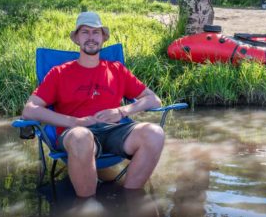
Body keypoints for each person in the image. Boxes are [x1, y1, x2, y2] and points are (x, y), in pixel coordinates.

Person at [22, 11, 164, 197]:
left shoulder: (116, 70)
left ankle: (131, 201)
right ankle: (88, 210)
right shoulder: (59, 73)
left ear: (103, 38)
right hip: (75, 134)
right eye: (85, 32)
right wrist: (75, 122)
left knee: (155, 133)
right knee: (81, 137)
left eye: (95, 32)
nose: (91, 37)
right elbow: (29, 110)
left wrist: (122, 111)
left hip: (115, 130)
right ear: (77, 39)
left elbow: (154, 99)